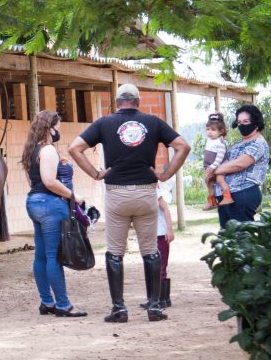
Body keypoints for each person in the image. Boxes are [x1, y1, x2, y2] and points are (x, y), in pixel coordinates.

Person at [67, 83, 191, 323]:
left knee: (115, 252)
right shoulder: (153, 122)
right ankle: (154, 307)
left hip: (116, 193)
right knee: (150, 251)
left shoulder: (104, 123)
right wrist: (165, 175)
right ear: (138, 101)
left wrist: (95, 173)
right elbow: (183, 146)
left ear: (116, 103)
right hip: (146, 192)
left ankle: (119, 309)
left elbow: (75, 148)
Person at [22, 110, 87, 317]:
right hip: (50, 206)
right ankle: (63, 304)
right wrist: (72, 196)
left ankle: (47, 302)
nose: (59, 131)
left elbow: (33, 182)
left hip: (34, 202)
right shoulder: (48, 149)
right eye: (57, 127)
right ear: (49, 128)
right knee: (53, 256)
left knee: (40, 255)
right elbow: (49, 181)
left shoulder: (31, 150)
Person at [212, 104, 269, 228]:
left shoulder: (258, 143)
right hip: (226, 196)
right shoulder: (238, 145)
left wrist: (214, 171)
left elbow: (239, 164)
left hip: (243, 194)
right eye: (239, 122)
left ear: (255, 122)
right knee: (227, 240)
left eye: (246, 121)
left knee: (242, 238)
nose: (242, 125)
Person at [141, 182, 174, 309]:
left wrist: (169, 229)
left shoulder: (155, 190)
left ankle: (161, 298)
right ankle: (156, 298)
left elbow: (165, 209)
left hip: (160, 233)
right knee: (151, 267)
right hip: (150, 234)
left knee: (160, 266)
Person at [202, 113, 233, 210]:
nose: (209, 132)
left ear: (221, 131)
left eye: (213, 130)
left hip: (220, 166)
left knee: (220, 180)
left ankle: (228, 197)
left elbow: (220, 157)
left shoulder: (221, 142)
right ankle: (212, 201)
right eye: (208, 129)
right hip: (210, 167)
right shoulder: (209, 140)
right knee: (209, 182)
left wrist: (213, 166)